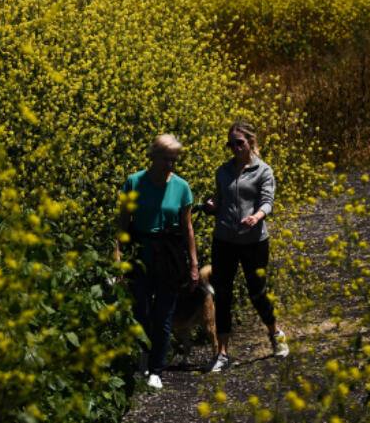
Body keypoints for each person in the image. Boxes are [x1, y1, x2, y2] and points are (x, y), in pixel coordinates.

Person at [201, 121, 289, 373]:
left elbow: (268, 201)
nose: (234, 148)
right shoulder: (223, 171)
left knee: (257, 293)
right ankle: (222, 353)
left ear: (251, 142)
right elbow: (221, 198)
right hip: (224, 240)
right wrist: (212, 206)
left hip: (254, 241)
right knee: (223, 296)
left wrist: (257, 217)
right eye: (231, 144)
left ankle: (275, 334)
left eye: (239, 143)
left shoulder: (264, 171)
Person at [115, 134, 200, 391]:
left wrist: (194, 264)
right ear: (152, 156)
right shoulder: (134, 182)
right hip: (141, 250)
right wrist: (117, 257)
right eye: (165, 159)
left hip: (170, 252)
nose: (170, 165)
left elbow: (187, 228)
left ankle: (156, 369)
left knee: (164, 314)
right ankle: (143, 354)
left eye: (174, 160)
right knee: (141, 311)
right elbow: (122, 222)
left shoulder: (182, 187)